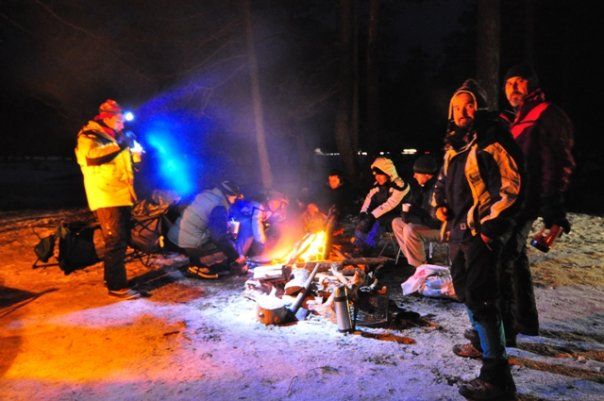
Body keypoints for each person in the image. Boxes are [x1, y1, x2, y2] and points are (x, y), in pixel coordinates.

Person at [433, 79, 524, 400]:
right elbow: (442, 182)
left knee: (482, 298)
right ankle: (482, 343)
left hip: (480, 232)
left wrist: (489, 229)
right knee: (466, 292)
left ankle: (497, 378)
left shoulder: (491, 139)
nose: (462, 111)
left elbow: (511, 186)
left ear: (480, 106)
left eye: (469, 104)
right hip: (458, 232)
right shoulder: (454, 145)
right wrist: (440, 204)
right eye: (457, 107)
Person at [498, 63, 575, 339]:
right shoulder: (519, 118)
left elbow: (557, 164)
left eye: (519, 82)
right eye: (509, 84)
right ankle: (526, 321)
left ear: (532, 84)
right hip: (515, 202)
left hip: (526, 203)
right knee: (517, 260)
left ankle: (503, 332)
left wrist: (553, 211)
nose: (513, 88)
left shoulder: (547, 114)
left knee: (502, 261)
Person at [75, 99, 143, 300]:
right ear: (107, 118)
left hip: (122, 195)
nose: (123, 124)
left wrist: (136, 154)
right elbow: (91, 157)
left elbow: (129, 163)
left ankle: (114, 280)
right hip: (106, 195)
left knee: (121, 239)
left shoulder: (115, 137)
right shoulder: (89, 136)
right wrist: (121, 145)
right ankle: (116, 286)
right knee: (115, 240)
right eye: (119, 120)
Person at [167, 181, 246, 279]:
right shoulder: (219, 206)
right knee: (230, 245)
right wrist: (236, 257)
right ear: (228, 195)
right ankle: (196, 265)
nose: (235, 200)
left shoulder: (206, 194)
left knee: (223, 240)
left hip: (174, 238)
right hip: (188, 244)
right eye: (235, 197)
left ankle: (195, 261)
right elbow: (219, 238)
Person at [391, 155, 441, 267]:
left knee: (410, 229)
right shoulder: (424, 188)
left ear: (427, 175)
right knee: (397, 222)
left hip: (443, 229)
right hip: (428, 223)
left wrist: (413, 218)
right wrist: (407, 212)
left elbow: (434, 221)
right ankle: (414, 262)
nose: (414, 176)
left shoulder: (437, 190)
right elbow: (417, 207)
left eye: (417, 173)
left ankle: (421, 268)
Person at [355, 157, 409, 253]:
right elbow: (369, 198)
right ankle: (359, 245)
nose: (377, 177)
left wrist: (372, 216)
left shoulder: (400, 185)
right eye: (375, 174)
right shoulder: (378, 185)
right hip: (381, 214)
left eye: (380, 174)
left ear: (388, 173)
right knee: (363, 221)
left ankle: (369, 247)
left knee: (377, 222)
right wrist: (363, 213)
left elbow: (390, 204)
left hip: (399, 216)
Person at [232, 190, 289, 258]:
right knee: (249, 229)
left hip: (246, 220)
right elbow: (256, 224)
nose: (279, 206)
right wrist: (262, 241)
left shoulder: (270, 209)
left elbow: (277, 221)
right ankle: (238, 256)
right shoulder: (258, 205)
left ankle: (245, 254)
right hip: (236, 217)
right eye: (277, 202)